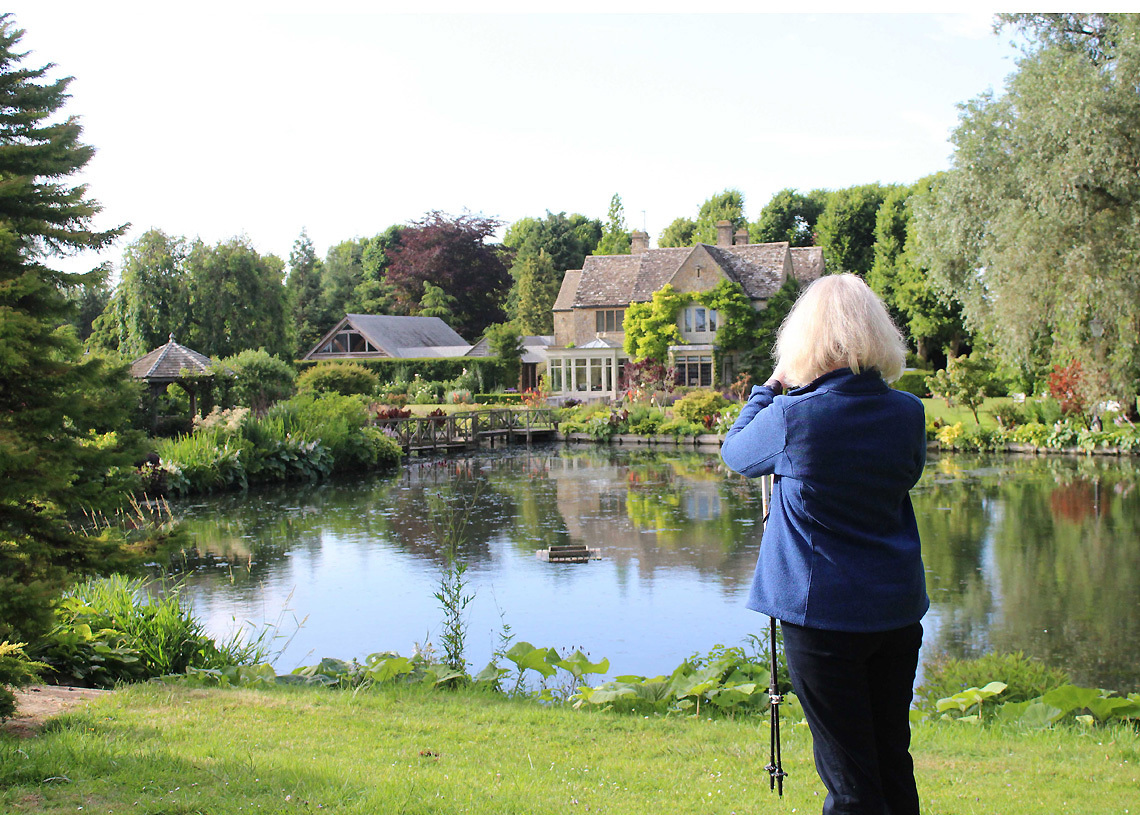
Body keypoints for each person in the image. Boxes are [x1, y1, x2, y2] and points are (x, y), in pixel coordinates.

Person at [720, 273, 928, 815]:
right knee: (890, 762)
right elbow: (904, 475)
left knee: (849, 783)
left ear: (804, 343)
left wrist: (767, 389)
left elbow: (737, 454)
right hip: (897, 612)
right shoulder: (907, 412)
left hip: (824, 620)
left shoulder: (793, 418)